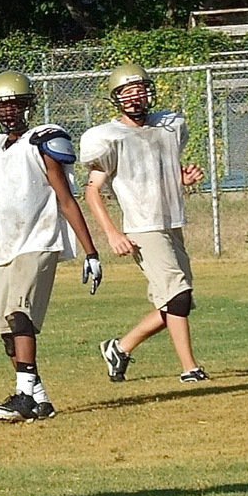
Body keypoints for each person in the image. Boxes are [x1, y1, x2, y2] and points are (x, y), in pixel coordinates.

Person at [0, 70, 103, 423]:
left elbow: (66, 199)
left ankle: (24, 397)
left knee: (19, 314)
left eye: (14, 104)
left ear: (28, 105)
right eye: (1, 105)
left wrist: (90, 252)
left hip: (39, 239)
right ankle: (40, 398)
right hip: (5, 247)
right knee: (5, 331)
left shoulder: (42, 141)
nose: (8, 111)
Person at [79, 63, 208, 383]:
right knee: (177, 297)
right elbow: (92, 190)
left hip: (171, 220)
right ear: (117, 98)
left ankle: (119, 349)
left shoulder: (168, 125)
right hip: (142, 226)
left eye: (139, 89)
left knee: (179, 301)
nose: (136, 96)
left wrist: (182, 178)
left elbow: (161, 167)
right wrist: (112, 233)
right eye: (127, 91)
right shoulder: (110, 137)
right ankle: (190, 368)